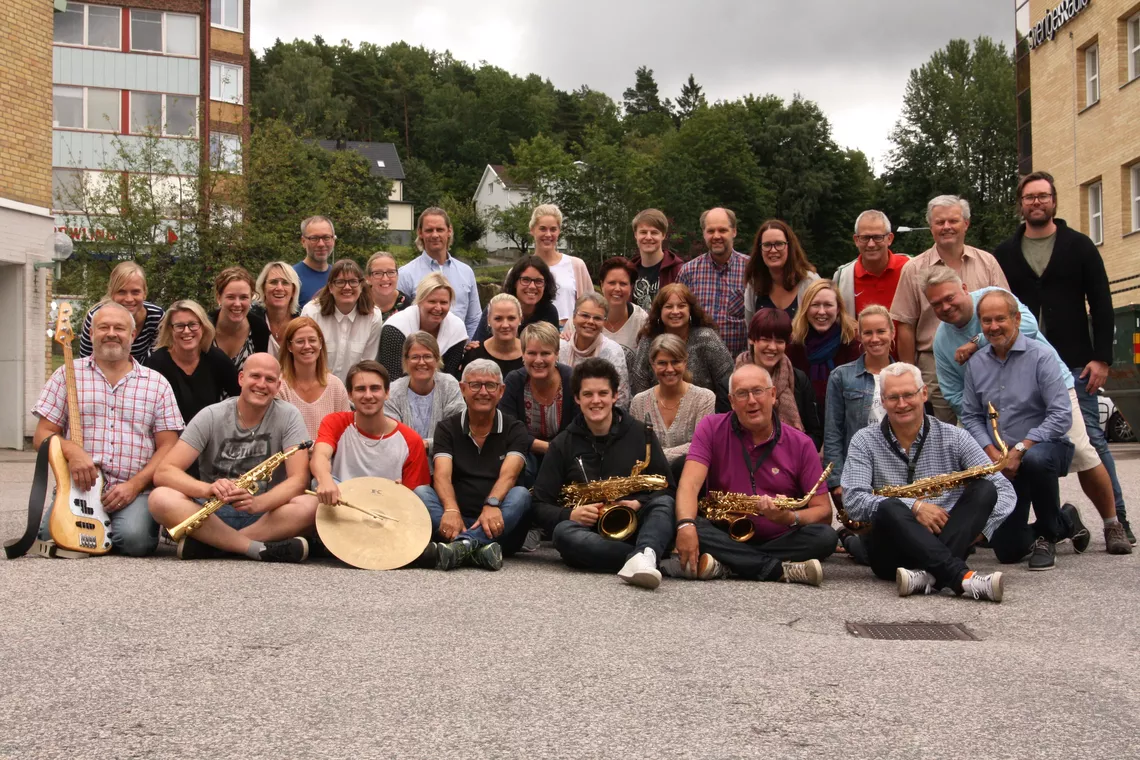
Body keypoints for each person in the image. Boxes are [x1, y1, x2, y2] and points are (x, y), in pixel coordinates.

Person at [927, 272, 1130, 554]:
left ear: (964, 288)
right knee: (985, 466)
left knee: (1084, 455)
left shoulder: (993, 297)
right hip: (995, 410)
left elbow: (1030, 327)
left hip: (1045, 393)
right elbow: (953, 393)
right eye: (936, 304)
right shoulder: (942, 341)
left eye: (949, 297)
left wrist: (977, 342)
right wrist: (988, 441)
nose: (945, 306)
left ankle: (1112, 523)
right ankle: (1046, 523)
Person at [993, 171, 1133, 545]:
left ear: (1054, 201)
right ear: (1020, 204)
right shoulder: (1005, 253)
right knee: (1027, 446)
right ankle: (1051, 525)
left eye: (1043, 196)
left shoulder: (1080, 246)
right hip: (1020, 365)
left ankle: (1116, 520)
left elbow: (1102, 304)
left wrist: (1102, 358)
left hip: (1073, 363)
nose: (1036, 203)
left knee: (1090, 445)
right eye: (1029, 197)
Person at [840, 362, 1014, 601]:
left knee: (986, 488)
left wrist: (981, 530)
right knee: (888, 505)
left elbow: (1005, 490)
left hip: (943, 537)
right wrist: (915, 507)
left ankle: (927, 578)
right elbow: (853, 501)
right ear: (882, 400)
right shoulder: (864, 440)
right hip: (891, 555)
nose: (902, 404)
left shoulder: (955, 437)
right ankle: (961, 579)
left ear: (923, 393)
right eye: (893, 397)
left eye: (908, 394)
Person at [665, 364, 838, 584]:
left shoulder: (802, 444)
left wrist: (790, 517)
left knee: (825, 537)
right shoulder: (710, 427)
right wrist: (686, 525)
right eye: (742, 394)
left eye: (758, 391)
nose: (752, 400)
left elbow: (823, 512)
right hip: (725, 532)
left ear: (773, 394)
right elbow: (689, 485)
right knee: (682, 519)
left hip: (779, 537)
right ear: (731, 400)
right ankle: (774, 569)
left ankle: (728, 563)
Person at [34, 303, 183, 556]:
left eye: (119, 328)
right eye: (103, 327)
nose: (111, 333)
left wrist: (136, 485)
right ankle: (93, 529)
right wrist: (72, 451)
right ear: (91, 334)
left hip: (134, 491)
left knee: (135, 541)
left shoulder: (156, 384)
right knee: (53, 537)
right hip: (78, 488)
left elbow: (168, 445)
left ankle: (106, 530)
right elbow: (42, 435)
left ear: (132, 335)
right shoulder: (66, 375)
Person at [148, 353, 313, 562]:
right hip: (213, 512)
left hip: (266, 513)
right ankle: (254, 547)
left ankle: (213, 545)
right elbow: (164, 472)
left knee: (311, 505)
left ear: (278, 385)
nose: (262, 384)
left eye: (270, 379)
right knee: (160, 498)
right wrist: (207, 489)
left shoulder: (289, 415)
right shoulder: (210, 415)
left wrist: (258, 503)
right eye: (255, 376)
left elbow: (299, 480)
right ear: (241, 378)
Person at [962, 290, 1084, 571]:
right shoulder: (976, 364)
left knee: (1035, 460)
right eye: (986, 320)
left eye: (1000, 319)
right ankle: (1065, 520)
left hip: (1046, 449)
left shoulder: (1041, 357)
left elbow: (1061, 414)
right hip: (1003, 458)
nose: (993, 327)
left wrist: (1021, 448)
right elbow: (970, 415)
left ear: (1016, 319)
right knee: (1007, 550)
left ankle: (1046, 537)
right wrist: (992, 453)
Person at [532, 358, 676, 589]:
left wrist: (639, 503)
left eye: (603, 393)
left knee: (664, 504)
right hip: (591, 532)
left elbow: (668, 488)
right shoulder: (562, 444)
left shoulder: (642, 434)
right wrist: (570, 515)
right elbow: (539, 504)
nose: (596, 401)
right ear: (577, 399)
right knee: (563, 534)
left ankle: (645, 555)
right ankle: (647, 556)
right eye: (588, 394)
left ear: (615, 396)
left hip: (636, 523)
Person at [285, 361, 431, 564]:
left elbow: (413, 500)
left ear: (387, 393)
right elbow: (320, 455)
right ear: (350, 395)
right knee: (320, 484)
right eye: (360, 389)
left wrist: (402, 495)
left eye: (375, 388)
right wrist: (325, 479)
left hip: (384, 515)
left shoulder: (410, 440)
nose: (368, 395)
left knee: (421, 495)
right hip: (344, 507)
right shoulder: (336, 422)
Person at [890, 195, 1009, 423]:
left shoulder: (987, 263)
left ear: (966, 224)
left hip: (990, 358)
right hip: (934, 367)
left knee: (994, 426)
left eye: (953, 221)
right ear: (931, 226)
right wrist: (910, 375)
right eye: (939, 222)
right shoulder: (913, 269)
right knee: (943, 433)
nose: (946, 227)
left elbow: (1008, 311)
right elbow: (905, 325)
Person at [413, 360, 533, 571]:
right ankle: (477, 549)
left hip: (498, 520)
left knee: (521, 495)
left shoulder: (515, 428)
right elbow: (441, 475)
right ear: (463, 389)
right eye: (475, 385)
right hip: (454, 518)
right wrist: (450, 510)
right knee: (422, 491)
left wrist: (492, 505)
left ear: (501, 391)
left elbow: (509, 476)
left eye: (491, 385)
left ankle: (460, 545)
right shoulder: (447, 428)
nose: (483, 392)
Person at [824, 305, 894, 507]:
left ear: (892, 332)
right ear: (859, 336)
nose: (875, 338)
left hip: (896, 467)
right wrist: (836, 479)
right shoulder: (841, 376)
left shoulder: (905, 375)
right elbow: (833, 431)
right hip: (857, 468)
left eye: (881, 331)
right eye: (868, 333)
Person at [630, 284, 733, 413]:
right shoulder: (649, 340)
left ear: (690, 310)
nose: (675, 311)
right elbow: (640, 383)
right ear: (659, 311)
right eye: (668, 306)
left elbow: (727, 382)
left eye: (681, 306)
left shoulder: (706, 338)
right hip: (657, 414)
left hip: (704, 414)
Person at [499, 322, 580, 483]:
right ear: (522, 354)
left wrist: (557, 451)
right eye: (531, 353)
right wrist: (547, 448)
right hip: (524, 454)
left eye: (545, 353)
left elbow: (579, 427)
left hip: (567, 453)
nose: (538, 360)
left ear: (557, 354)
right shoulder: (514, 380)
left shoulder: (572, 379)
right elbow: (509, 430)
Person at [629, 334, 715, 482]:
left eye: (675, 362)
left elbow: (700, 447)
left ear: (685, 362)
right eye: (662, 363)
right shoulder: (639, 402)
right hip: (649, 485)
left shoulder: (704, 398)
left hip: (692, 481)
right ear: (652, 364)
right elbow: (636, 450)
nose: (669, 369)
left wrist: (654, 456)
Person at [736, 308, 822, 448]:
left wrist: (794, 453)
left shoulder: (799, 379)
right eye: (766, 339)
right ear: (752, 339)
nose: (772, 347)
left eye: (780, 341)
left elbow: (815, 433)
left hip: (793, 461)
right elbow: (727, 433)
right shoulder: (731, 381)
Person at [144, 300, 239, 425]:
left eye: (193, 324)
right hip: (170, 436)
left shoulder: (216, 359)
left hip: (209, 434)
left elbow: (240, 395)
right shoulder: (156, 363)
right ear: (170, 330)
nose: (187, 331)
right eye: (179, 326)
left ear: (203, 327)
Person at [396, 207, 481, 338]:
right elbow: (400, 321)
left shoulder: (466, 272)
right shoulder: (406, 274)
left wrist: (468, 349)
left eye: (440, 229)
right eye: (429, 230)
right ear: (420, 233)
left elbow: (474, 319)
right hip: (421, 353)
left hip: (459, 351)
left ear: (449, 231)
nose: (435, 235)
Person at [677, 207, 749, 357]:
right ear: (704, 233)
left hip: (739, 366)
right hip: (697, 366)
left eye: (722, 230)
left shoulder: (751, 271)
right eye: (710, 231)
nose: (716, 236)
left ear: (734, 232)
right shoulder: (688, 272)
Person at [384, 332, 465, 459]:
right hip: (403, 463)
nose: (421, 362)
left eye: (427, 356)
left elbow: (457, 430)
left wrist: (427, 444)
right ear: (406, 360)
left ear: (437, 359)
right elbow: (392, 436)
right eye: (415, 357)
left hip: (445, 460)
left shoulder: (449, 385)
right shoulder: (393, 391)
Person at [300, 259, 383, 383]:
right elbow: (304, 360)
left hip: (353, 392)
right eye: (340, 282)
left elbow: (367, 365)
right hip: (316, 387)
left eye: (353, 282)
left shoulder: (373, 316)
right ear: (330, 287)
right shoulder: (311, 313)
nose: (347, 287)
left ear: (361, 286)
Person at [787, 279, 862, 412]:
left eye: (828, 305)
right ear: (805, 307)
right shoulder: (794, 344)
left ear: (838, 308)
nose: (821, 312)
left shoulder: (851, 342)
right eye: (815, 305)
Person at [378, 273, 468, 381]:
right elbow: (391, 377)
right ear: (419, 301)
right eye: (432, 301)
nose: (438, 308)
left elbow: (449, 376)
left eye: (444, 302)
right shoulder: (395, 327)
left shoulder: (456, 329)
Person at [275, 316, 351, 441]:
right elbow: (279, 436)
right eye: (300, 341)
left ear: (320, 343)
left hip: (330, 457)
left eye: (312, 340)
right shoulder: (280, 387)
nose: (307, 346)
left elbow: (347, 431)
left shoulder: (335, 385)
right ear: (289, 347)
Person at [78, 261, 164, 363]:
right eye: (121, 292)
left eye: (135, 292)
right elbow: (85, 360)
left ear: (144, 293)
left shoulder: (156, 317)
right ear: (112, 293)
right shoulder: (96, 317)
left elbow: (158, 359)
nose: (129, 299)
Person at [559, 292, 631, 409]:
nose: (590, 322)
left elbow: (621, 399)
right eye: (585, 316)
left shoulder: (613, 351)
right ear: (574, 317)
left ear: (604, 322)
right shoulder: (561, 347)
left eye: (597, 318)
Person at [832, 210, 910, 315]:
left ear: (890, 239)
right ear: (856, 240)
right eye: (865, 238)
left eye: (878, 237)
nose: (871, 244)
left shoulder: (910, 268)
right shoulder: (843, 278)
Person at [743, 219, 820, 323]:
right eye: (767, 245)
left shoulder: (810, 282)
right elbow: (751, 331)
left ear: (790, 246)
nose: (773, 250)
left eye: (779, 244)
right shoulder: (754, 285)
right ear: (759, 249)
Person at [470, 255, 560, 344]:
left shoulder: (549, 313)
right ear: (514, 283)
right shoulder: (496, 308)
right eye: (525, 280)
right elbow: (478, 345)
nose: (532, 286)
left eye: (539, 281)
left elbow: (552, 349)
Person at [527, 203, 593, 324]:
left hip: (570, 337)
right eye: (542, 229)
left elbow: (591, 306)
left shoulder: (576, 265)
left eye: (553, 229)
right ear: (532, 230)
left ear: (559, 231)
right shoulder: (522, 269)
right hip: (534, 337)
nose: (548, 234)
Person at [210, 266, 269, 372]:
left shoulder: (259, 329)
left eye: (243, 297)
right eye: (231, 297)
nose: (237, 304)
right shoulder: (205, 328)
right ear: (219, 298)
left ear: (251, 298)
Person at [629, 208, 684, 311]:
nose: (648, 237)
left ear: (663, 235)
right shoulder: (629, 272)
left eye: (654, 232)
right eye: (643, 232)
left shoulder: (678, 271)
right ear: (635, 235)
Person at [461, 293, 524, 378]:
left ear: (520, 319)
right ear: (488, 320)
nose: (505, 325)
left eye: (511, 318)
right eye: (498, 319)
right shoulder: (474, 354)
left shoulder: (531, 353)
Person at [598, 256, 649, 351]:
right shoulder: (586, 317)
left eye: (623, 284)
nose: (617, 289)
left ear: (631, 287)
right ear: (602, 285)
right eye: (612, 283)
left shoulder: (642, 321)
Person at [254, 261, 302, 357]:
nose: (279, 288)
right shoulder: (252, 321)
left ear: (293, 290)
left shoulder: (302, 321)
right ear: (263, 288)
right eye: (273, 282)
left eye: (285, 283)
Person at [294, 215, 336, 305]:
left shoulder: (339, 276)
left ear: (333, 240)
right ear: (303, 241)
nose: (321, 244)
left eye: (326, 237)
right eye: (314, 238)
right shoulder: (291, 277)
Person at [365, 251, 410, 321]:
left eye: (391, 272)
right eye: (378, 273)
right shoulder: (357, 303)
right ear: (368, 278)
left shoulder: (409, 307)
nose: (385, 279)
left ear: (397, 276)